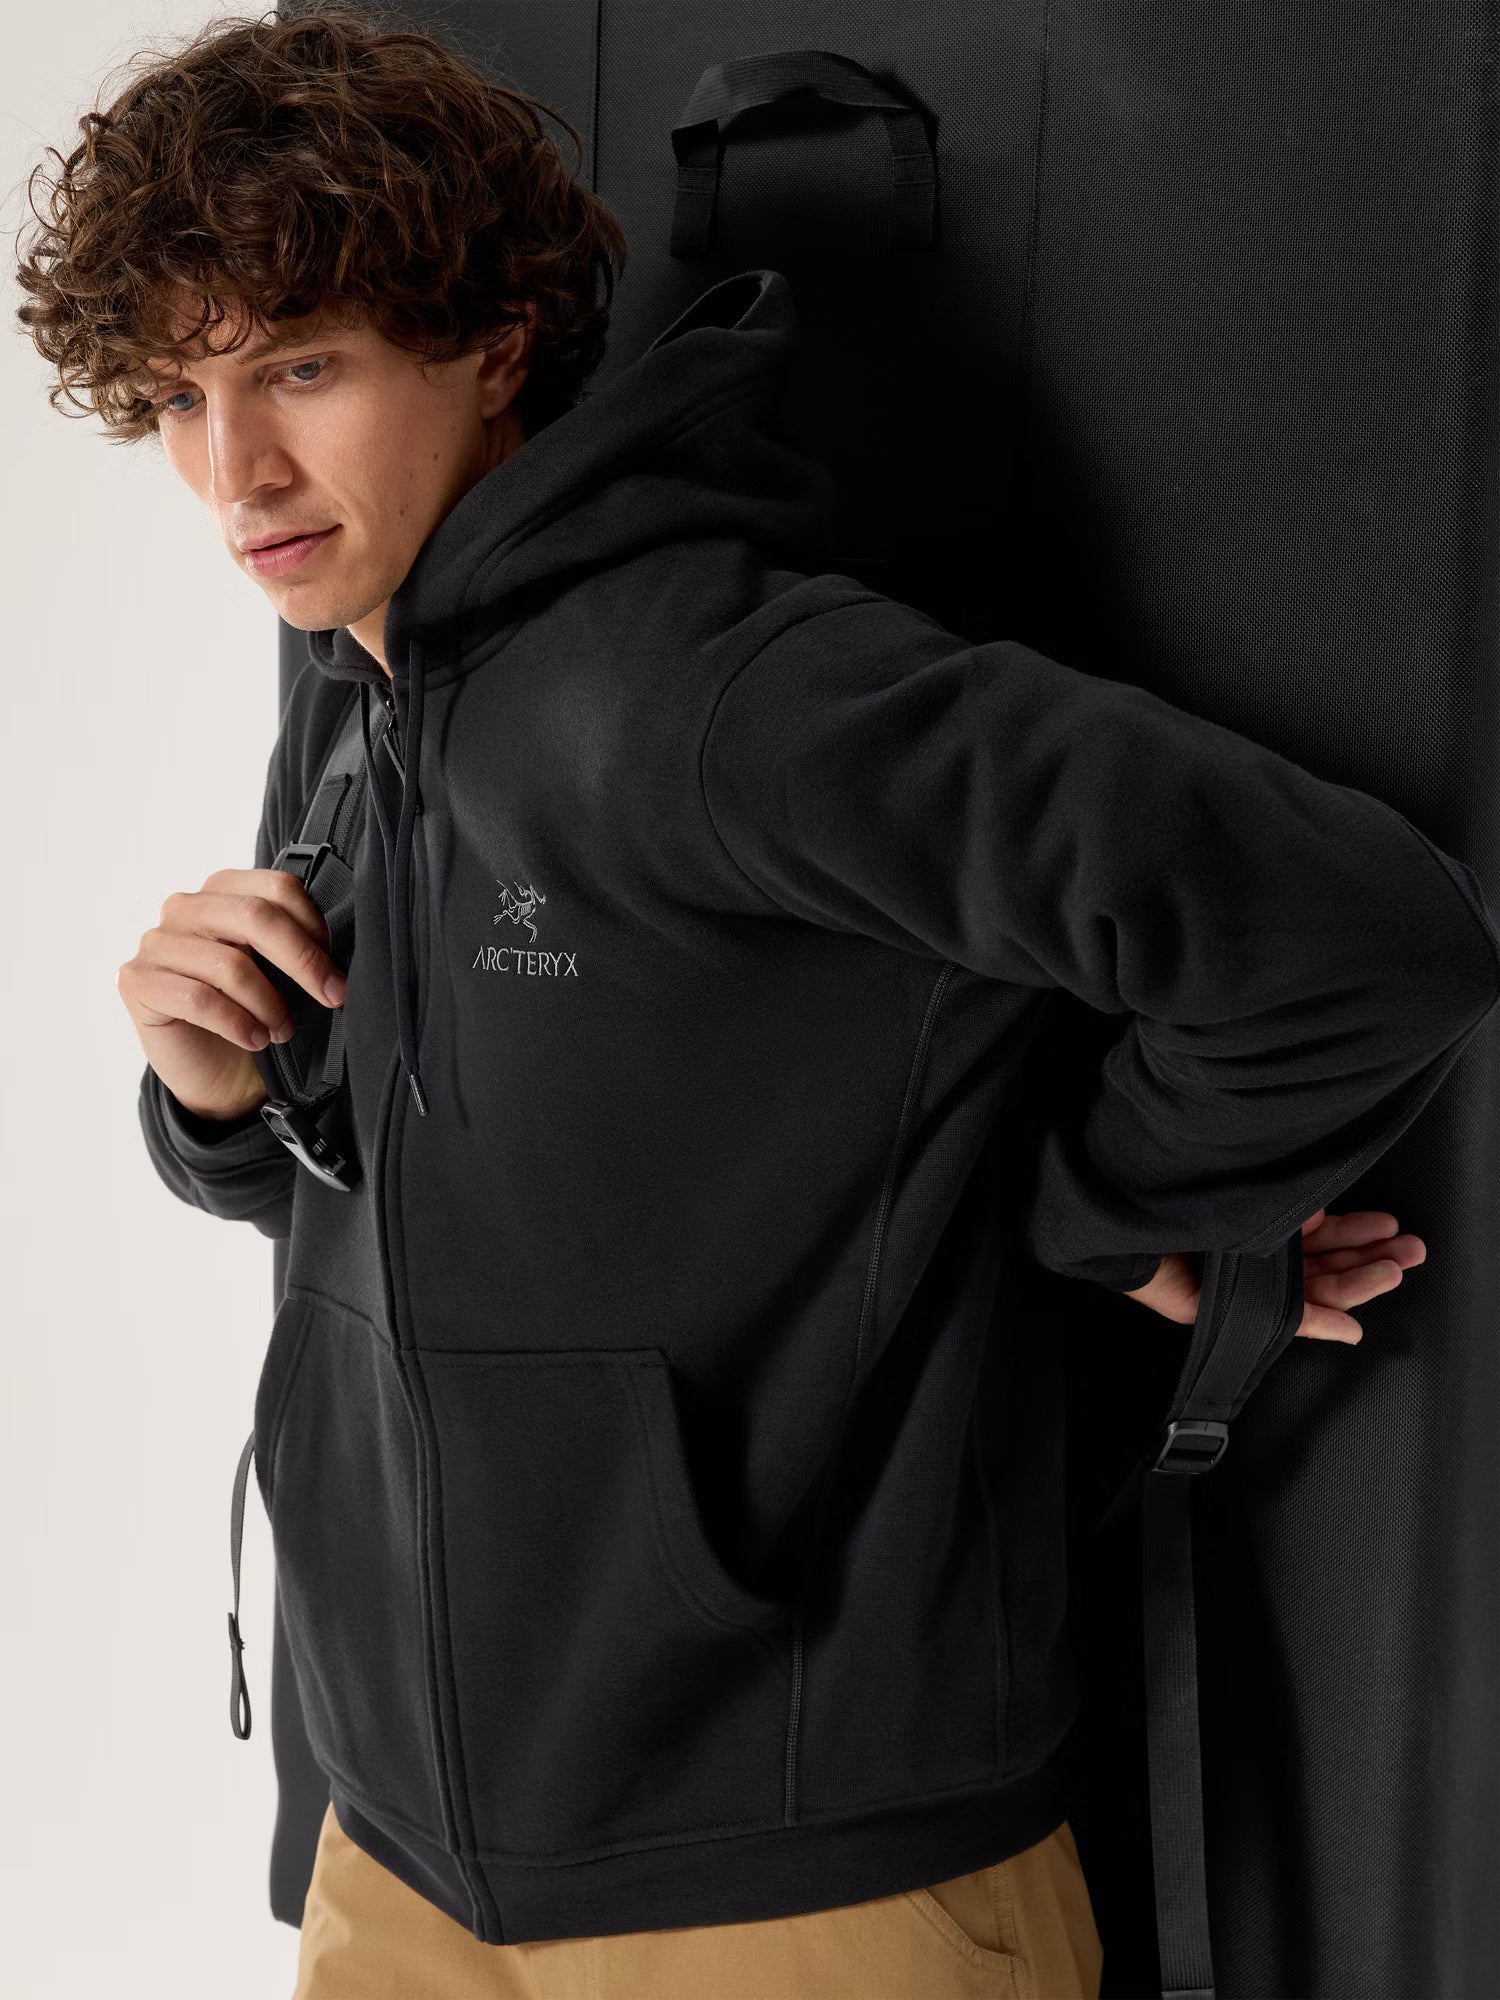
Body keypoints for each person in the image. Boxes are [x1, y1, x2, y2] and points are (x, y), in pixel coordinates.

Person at [17, 8, 1499, 1997]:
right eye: (180, 394)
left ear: (493, 342)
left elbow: (1356, 933)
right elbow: (427, 1178)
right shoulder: (355, 677)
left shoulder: (714, 696)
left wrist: (1090, 1207)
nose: (235, 473)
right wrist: (216, 1097)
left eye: (301, 366)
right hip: (401, 1851)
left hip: (796, 1885)